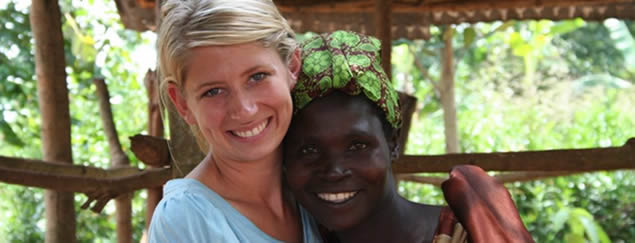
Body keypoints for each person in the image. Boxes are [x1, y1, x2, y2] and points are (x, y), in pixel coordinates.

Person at [283, 30, 534, 243]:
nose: (334, 171)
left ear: (393, 143)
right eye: (309, 150)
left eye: (357, 146)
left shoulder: (470, 233)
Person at [148, 0, 322, 242]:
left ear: (292, 65)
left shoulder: (323, 191)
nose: (245, 109)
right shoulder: (186, 220)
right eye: (213, 91)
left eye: (257, 77)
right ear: (182, 103)